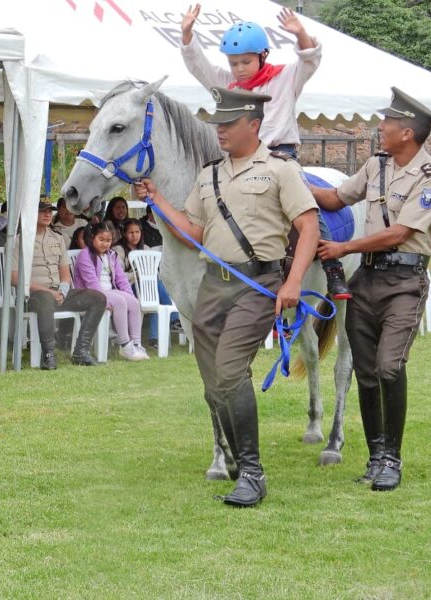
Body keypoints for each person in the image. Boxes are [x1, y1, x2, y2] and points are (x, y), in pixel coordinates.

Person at [134, 87, 321, 507]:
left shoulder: (279, 170)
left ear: (253, 125)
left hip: (257, 285)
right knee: (213, 380)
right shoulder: (210, 175)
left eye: (229, 124)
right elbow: (195, 233)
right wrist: (158, 200)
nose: (219, 131)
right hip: (213, 287)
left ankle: (252, 473)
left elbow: (308, 226)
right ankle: (238, 459)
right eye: (217, 123)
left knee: (231, 369)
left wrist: (292, 283)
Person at [308, 87, 431, 492]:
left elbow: (400, 232)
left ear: (407, 132)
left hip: (404, 283)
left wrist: (344, 247)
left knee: (390, 366)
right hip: (367, 279)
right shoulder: (377, 166)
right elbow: (336, 198)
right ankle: (375, 458)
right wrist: (296, 181)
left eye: (387, 122)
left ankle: (392, 458)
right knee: (366, 372)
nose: (380, 126)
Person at [179, 6, 350, 299]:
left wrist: (300, 34)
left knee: (306, 204)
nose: (239, 69)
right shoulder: (227, 83)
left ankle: (332, 266)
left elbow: (310, 61)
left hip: (279, 156)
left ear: (263, 56)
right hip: (240, 159)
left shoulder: (285, 77)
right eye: (234, 63)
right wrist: (187, 35)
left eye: (245, 61)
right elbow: (199, 67)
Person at [13, 197, 107, 370]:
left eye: (50, 211)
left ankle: (81, 351)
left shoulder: (58, 238)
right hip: (32, 295)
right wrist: (48, 292)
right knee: (46, 300)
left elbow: (64, 273)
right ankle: (48, 355)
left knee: (98, 298)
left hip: (58, 293)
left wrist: (63, 291)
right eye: (43, 211)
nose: (48, 214)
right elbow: (15, 278)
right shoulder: (19, 241)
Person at [72, 222, 148, 361]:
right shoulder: (85, 255)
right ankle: (125, 345)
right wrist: (106, 300)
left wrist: (130, 296)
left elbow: (121, 279)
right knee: (119, 301)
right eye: (101, 240)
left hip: (109, 291)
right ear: (92, 238)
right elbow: (92, 284)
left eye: (108, 240)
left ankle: (136, 344)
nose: (105, 244)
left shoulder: (111, 255)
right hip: (89, 294)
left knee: (133, 302)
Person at [116, 218, 147, 284]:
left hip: (147, 283)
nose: (134, 236)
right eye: (131, 232)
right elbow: (118, 275)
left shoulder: (146, 249)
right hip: (128, 285)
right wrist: (137, 274)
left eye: (137, 232)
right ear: (124, 234)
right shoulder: (118, 250)